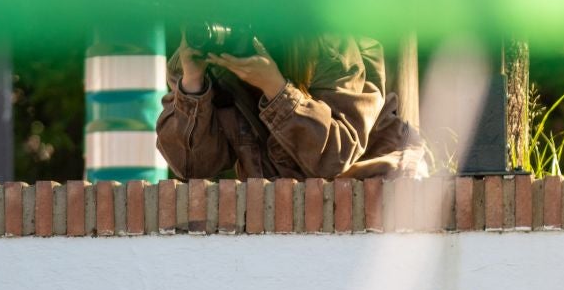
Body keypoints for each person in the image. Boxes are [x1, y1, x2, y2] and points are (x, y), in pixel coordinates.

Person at [156, 31, 428, 179]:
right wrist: (193, 84)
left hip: (377, 184)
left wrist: (275, 88)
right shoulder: (209, 61)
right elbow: (192, 168)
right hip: (289, 211)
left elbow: (335, 157)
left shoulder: (329, 43)